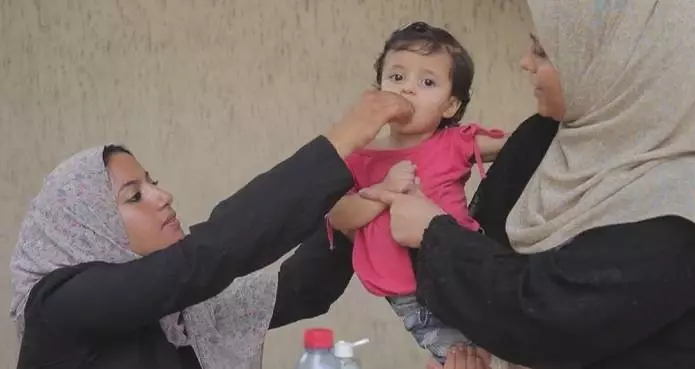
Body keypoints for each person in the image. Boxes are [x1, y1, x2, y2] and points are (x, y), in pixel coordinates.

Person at [360, 1, 695, 368]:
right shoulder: (544, 138)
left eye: (542, 51)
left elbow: (552, 317)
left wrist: (432, 232)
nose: (525, 61)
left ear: (619, 66)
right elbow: (487, 241)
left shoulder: (682, 205)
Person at [9, 90, 413, 369]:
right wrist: (342, 140)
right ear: (86, 227)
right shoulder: (60, 303)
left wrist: (343, 223)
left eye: (152, 181)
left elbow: (295, 291)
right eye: (134, 196)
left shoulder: (179, 308)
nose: (163, 195)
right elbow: (209, 254)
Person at [327, 21, 505, 364]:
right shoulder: (361, 156)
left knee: (493, 344)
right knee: (456, 355)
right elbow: (338, 215)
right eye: (397, 77)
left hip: (463, 272)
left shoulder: (453, 142)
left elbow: (518, 146)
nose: (407, 90)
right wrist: (382, 192)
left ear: (450, 106)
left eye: (427, 82)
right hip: (405, 290)